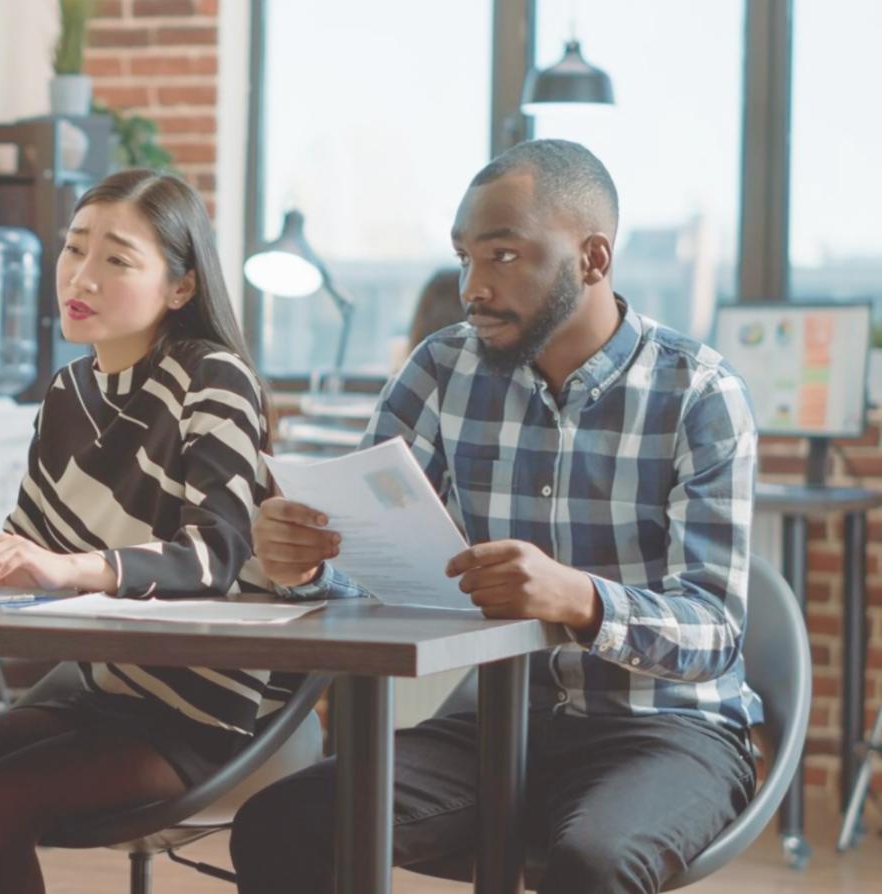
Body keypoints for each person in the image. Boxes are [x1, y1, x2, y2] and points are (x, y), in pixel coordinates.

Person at [230, 139, 758, 894]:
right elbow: (366, 569)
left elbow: (715, 629)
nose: (473, 286)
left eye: (503, 256)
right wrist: (303, 566)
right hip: (498, 719)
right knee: (282, 822)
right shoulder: (441, 370)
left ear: (593, 258)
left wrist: (578, 598)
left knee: (593, 862)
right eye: (464, 257)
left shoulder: (701, 395)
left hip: (669, 730)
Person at [0, 169, 285, 894]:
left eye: (117, 259)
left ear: (180, 288)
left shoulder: (213, 377)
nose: (80, 276)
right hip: (103, 684)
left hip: (199, 708)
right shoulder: (69, 392)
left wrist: (70, 568)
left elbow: (213, 554)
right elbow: (28, 540)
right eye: (73, 249)